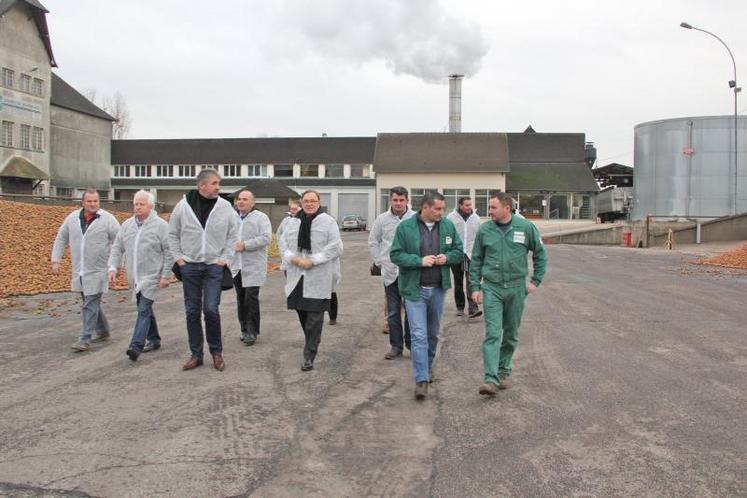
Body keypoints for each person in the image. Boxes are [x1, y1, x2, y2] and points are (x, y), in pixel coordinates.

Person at [470, 192, 547, 396]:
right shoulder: (485, 230)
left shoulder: (526, 227)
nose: (490, 211)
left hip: (515, 287)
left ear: (506, 208)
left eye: (493, 207)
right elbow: (476, 259)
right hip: (492, 287)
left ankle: (503, 370)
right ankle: (490, 378)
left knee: (511, 334)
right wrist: (475, 287)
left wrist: (535, 281)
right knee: (493, 333)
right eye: (489, 207)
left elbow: (540, 254)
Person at [390, 190, 462, 400]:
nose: (442, 212)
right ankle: (421, 379)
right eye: (438, 209)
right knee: (419, 336)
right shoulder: (406, 227)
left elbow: (458, 251)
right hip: (415, 291)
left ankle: (428, 367)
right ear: (426, 208)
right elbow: (395, 254)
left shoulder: (447, 226)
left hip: (438, 289)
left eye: (442, 208)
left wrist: (446, 258)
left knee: (432, 334)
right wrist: (419, 261)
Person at [168, 168, 238, 372]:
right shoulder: (182, 207)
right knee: (191, 311)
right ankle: (196, 355)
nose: (218, 187)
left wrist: (224, 260)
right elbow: (172, 234)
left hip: (213, 267)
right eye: (214, 183)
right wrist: (179, 259)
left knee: (210, 310)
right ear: (202, 185)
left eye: (219, 183)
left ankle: (216, 353)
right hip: (189, 266)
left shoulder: (225, 207)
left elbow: (233, 235)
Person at [279, 189, 343, 371]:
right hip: (296, 275)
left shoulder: (328, 222)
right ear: (301, 202)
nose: (309, 204)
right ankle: (312, 338)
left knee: (314, 317)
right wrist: (294, 258)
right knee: (303, 313)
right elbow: (282, 243)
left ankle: (309, 355)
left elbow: (335, 247)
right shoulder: (292, 222)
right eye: (306, 201)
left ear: (318, 202)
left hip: (318, 275)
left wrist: (313, 260)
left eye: (312, 201)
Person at [51, 189, 120, 352]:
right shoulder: (72, 218)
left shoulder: (108, 219)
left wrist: (115, 265)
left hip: (99, 269)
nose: (93, 204)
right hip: (80, 269)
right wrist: (56, 260)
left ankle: (84, 338)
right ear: (83, 202)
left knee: (90, 303)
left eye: (95, 201)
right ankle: (102, 331)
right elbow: (61, 238)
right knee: (89, 301)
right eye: (89, 201)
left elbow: (120, 240)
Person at [108, 190, 173, 361]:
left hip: (151, 276)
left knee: (143, 309)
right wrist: (113, 267)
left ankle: (136, 345)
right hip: (134, 276)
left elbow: (169, 252)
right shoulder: (127, 225)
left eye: (141, 204)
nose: (137, 207)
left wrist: (166, 275)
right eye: (135, 204)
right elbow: (117, 248)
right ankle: (154, 339)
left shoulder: (161, 226)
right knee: (144, 309)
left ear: (150, 206)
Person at [368, 186, 415, 360]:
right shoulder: (382, 219)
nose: (398, 203)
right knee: (393, 311)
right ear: (390, 200)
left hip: (410, 271)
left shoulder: (415, 218)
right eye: (395, 200)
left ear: (407, 201)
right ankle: (396, 346)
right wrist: (379, 261)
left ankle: (411, 344)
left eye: (402, 200)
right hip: (390, 271)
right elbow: (373, 241)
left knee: (411, 310)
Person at [230, 188, 272, 346]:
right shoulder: (232, 218)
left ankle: (252, 331)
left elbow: (266, 238)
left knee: (251, 298)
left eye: (245, 199)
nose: (240, 201)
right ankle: (244, 328)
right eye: (239, 199)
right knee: (240, 298)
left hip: (253, 265)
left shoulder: (261, 218)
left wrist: (245, 245)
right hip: (236, 265)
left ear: (252, 203)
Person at [446, 196, 482, 319]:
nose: (469, 207)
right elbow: (447, 234)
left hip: (471, 254)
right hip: (457, 254)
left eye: (470, 205)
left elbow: (479, 236)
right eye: (467, 205)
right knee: (458, 282)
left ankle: (473, 308)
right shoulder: (451, 218)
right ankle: (460, 307)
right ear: (460, 205)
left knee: (472, 281)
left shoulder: (476, 218)